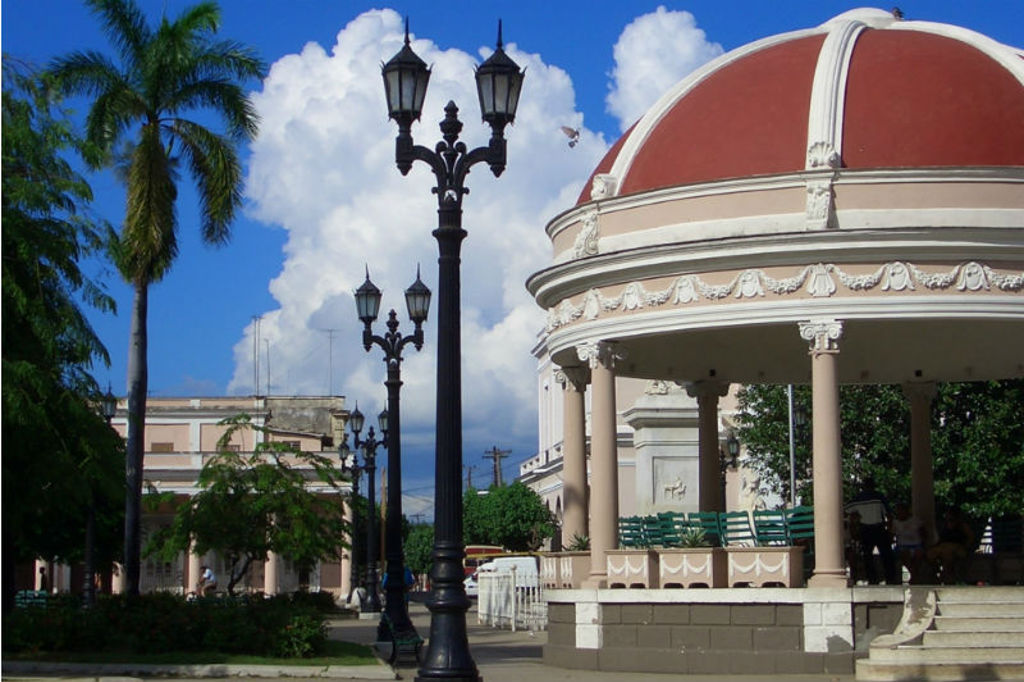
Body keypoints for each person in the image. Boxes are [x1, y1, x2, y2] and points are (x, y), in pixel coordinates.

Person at [844, 477, 898, 584]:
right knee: (886, 555)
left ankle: (872, 579)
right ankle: (890, 578)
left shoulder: (857, 499)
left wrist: (855, 520)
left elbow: (845, 511)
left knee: (867, 556)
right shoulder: (879, 497)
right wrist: (890, 530)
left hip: (865, 528)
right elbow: (888, 514)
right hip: (878, 527)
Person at [927, 508, 974, 584]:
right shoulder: (944, 526)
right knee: (930, 553)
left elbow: (970, 537)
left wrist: (966, 547)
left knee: (947, 553)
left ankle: (946, 575)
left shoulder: (962, 526)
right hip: (943, 546)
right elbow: (941, 539)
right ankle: (936, 572)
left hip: (957, 547)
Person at [891, 502, 926, 584]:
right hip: (902, 546)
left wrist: (923, 544)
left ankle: (915, 575)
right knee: (904, 555)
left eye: (902, 510)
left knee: (919, 555)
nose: (900, 513)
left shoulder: (915, 520)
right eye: (898, 511)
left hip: (916, 545)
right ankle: (914, 575)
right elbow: (891, 535)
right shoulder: (895, 522)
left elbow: (924, 533)